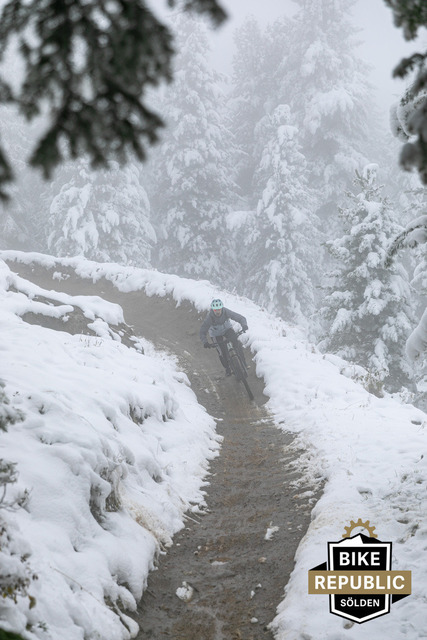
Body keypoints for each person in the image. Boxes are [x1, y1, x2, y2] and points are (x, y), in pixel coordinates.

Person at [200, 299, 249, 376]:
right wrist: (205, 342)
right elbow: (203, 330)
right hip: (215, 334)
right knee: (221, 352)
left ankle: (244, 364)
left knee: (237, 344)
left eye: (219, 309)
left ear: (222, 308)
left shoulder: (226, 311)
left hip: (227, 329)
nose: (218, 311)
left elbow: (240, 318)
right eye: (215, 310)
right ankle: (227, 369)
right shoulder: (209, 317)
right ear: (213, 310)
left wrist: (244, 325)